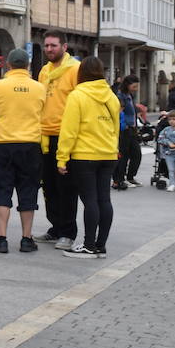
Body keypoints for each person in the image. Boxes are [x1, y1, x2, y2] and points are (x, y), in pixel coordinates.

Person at [0, 49, 45, 254]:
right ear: (27, 66)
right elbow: (42, 111)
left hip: (3, 145)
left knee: (2, 189)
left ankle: (1, 238)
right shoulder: (39, 88)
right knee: (28, 190)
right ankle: (26, 239)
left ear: (8, 65)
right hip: (30, 145)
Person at [56, 56, 119, 258]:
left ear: (81, 73)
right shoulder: (112, 97)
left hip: (85, 154)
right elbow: (115, 128)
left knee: (89, 201)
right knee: (104, 200)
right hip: (108, 153)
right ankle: (101, 245)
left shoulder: (78, 95)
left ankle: (88, 245)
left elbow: (69, 130)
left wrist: (62, 157)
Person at [36, 32, 80, 250]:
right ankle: (55, 227)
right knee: (49, 187)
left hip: (66, 137)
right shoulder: (44, 71)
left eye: (53, 45)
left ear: (64, 46)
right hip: (45, 136)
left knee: (67, 188)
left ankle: (68, 232)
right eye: (46, 45)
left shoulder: (75, 69)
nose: (49, 49)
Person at [112, 75, 143, 189]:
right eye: (134, 86)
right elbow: (119, 112)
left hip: (132, 129)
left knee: (136, 154)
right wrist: (123, 125)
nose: (136, 89)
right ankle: (119, 179)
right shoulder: (121, 95)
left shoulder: (129, 95)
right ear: (128, 85)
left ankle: (130, 177)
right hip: (124, 129)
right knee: (123, 155)